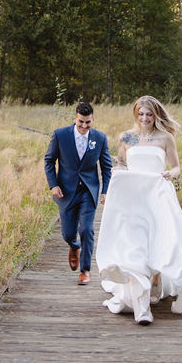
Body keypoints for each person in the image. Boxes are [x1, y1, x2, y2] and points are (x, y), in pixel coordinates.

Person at [95, 96, 182, 324]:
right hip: (132, 197)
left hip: (158, 194)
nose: (145, 118)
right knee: (135, 245)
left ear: (156, 115)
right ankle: (142, 307)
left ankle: (156, 280)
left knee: (161, 241)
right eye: (141, 114)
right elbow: (120, 165)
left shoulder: (166, 137)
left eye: (149, 114)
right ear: (135, 114)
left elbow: (177, 166)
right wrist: (111, 192)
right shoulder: (126, 137)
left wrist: (171, 174)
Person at [44, 101, 112, 285]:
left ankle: (85, 270)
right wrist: (53, 185)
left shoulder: (100, 138)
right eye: (81, 122)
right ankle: (74, 246)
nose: (84, 126)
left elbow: (106, 167)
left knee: (87, 229)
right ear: (75, 118)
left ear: (93, 120)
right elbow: (49, 161)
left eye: (88, 122)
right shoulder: (60, 135)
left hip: (88, 192)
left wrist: (106, 191)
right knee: (67, 233)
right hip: (65, 192)